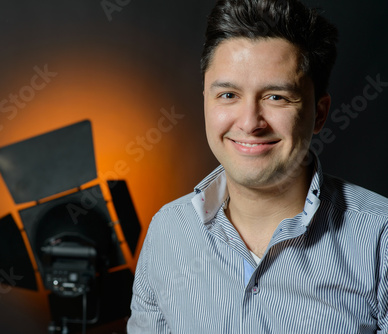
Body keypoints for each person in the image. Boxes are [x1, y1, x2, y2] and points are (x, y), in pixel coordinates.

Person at [126, 0, 388, 333]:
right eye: (228, 95)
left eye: (276, 97)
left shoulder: (381, 239)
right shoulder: (168, 233)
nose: (250, 123)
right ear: (206, 99)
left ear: (319, 113)